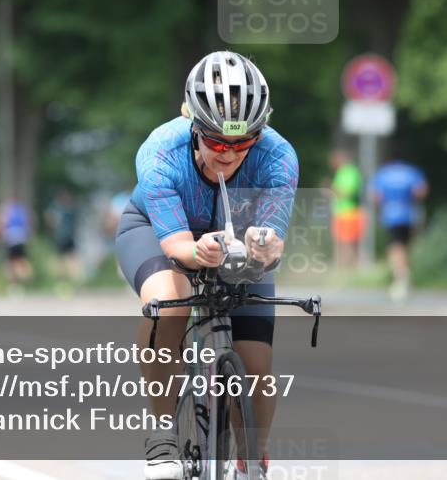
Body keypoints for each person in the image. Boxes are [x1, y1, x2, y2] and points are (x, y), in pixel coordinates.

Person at [116, 51, 297, 480]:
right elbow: (178, 246)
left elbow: (274, 245)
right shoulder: (160, 150)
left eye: (242, 142)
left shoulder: (279, 157)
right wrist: (197, 253)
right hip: (158, 232)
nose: (229, 154)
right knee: (170, 302)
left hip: (237, 243)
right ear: (192, 124)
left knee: (255, 361)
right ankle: (162, 433)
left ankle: (253, 456)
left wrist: (263, 245)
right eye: (216, 142)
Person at [372, 158, 428, 301]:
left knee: (395, 247)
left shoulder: (384, 173)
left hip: (391, 215)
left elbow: (376, 196)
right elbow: (421, 191)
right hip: (409, 214)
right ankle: (405, 276)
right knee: (405, 246)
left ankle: (401, 278)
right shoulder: (412, 172)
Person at [329, 150, 362, 270]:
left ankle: (350, 267)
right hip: (341, 212)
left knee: (348, 242)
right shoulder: (341, 172)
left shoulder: (350, 172)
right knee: (342, 242)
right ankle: (344, 267)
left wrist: (332, 189)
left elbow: (349, 192)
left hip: (349, 212)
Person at [0, 199, 33, 286]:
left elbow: (0, 225)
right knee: (21, 260)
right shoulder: (21, 210)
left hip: (10, 239)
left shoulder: (6, 211)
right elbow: (27, 224)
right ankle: (26, 276)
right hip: (21, 238)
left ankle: (14, 283)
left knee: (9, 262)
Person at [45, 191, 81, 280]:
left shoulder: (59, 209)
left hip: (63, 237)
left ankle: (64, 278)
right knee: (67, 258)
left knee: (65, 258)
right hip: (65, 236)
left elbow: (50, 220)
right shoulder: (69, 210)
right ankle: (68, 278)